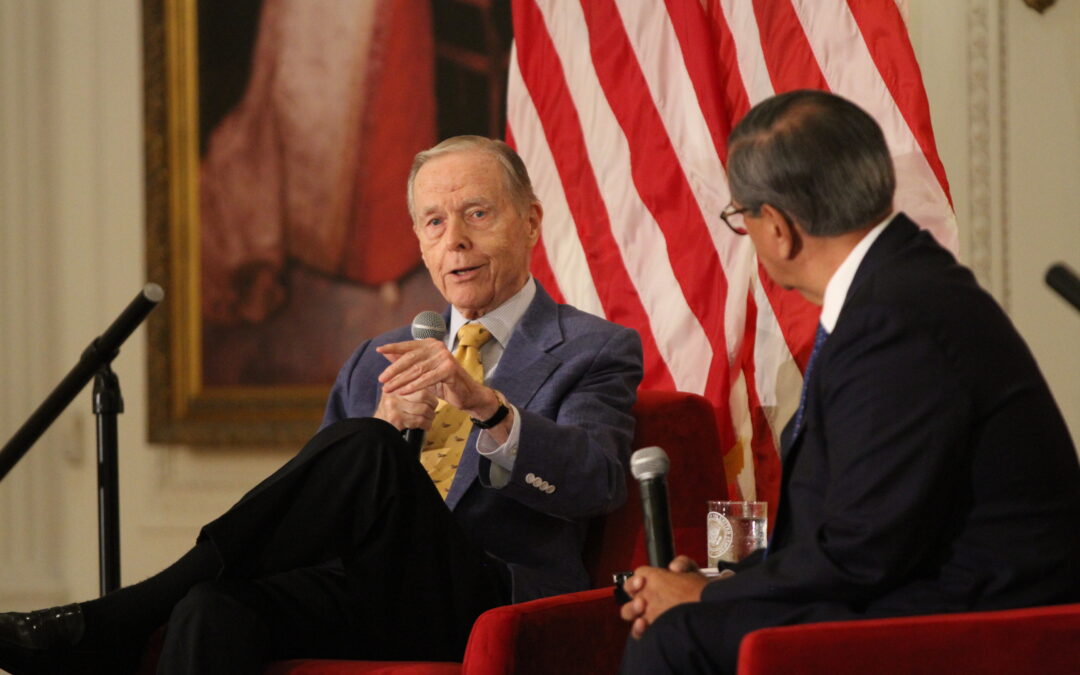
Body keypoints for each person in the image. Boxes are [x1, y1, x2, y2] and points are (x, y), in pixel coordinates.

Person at [0, 136, 644, 674]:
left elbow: (599, 481)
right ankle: (156, 609)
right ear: (419, 240)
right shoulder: (376, 357)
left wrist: (487, 407)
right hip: (367, 593)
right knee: (211, 607)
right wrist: (387, 431)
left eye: (478, 213)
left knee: (364, 446)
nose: (455, 240)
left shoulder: (593, 348)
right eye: (434, 221)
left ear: (530, 219)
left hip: (487, 600)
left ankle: (125, 617)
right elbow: (309, 515)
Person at [618, 90, 1080, 675]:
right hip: (927, 588)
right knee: (679, 622)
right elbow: (857, 531)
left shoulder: (894, 318)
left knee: (675, 638)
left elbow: (864, 551)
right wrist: (731, 580)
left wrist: (705, 596)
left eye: (742, 217)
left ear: (779, 229)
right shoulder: (899, 288)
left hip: (984, 619)